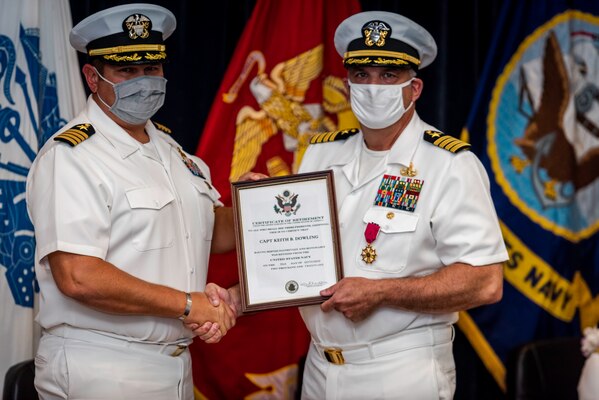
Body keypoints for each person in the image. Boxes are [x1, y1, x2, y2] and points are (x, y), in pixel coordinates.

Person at [26, 4, 238, 399]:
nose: (144, 81)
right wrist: (189, 305)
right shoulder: (73, 156)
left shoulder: (172, 150)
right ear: (93, 76)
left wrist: (260, 209)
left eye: (151, 69)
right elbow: (77, 275)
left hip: (174, 364)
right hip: (104, 366)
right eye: (127, 70)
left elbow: (209, 231)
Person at [295, 11, 509, 399]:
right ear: (347, 87)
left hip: (399, 372)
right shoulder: (319, 155)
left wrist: (382, 292)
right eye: (362, 76)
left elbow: (486, 282)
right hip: (319, 369)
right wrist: (262, 208)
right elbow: (298, 252)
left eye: (388, 76)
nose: (373, 87)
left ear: (415, 89)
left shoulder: (448, 164)